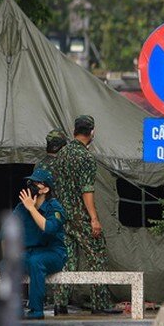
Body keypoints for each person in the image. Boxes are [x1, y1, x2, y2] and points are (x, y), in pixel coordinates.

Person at [51, 115, 113, 314]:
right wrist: (94, 218)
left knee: (67, 260)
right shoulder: (86, 157)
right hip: (80, 217)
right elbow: (87, 191)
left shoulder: (61, 154)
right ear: (92, 132)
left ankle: (60, 303)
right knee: (97, 255)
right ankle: (99, 304)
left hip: (61, 216)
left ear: (74, 130)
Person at [11, 168, 67, 319]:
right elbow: (7, 232)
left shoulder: (54, 207)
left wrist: (32, 209)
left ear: (46, 189)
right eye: (31, 182)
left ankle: (36, 310)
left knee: (36, 262)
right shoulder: (22, 207)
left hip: (53, 253)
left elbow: (49, 228)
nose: (32, 185)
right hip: (29, 252)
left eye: (37, 183)